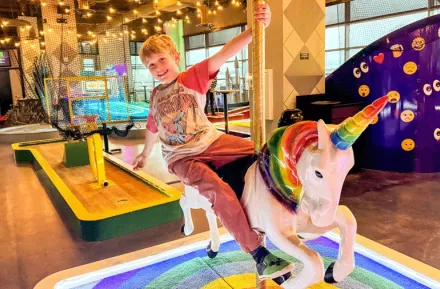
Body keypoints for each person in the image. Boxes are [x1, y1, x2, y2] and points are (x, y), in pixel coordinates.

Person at [132, 4, 294, 281]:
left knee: (262, 152)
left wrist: (255, 30)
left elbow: (226, 52)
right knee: (214, 187)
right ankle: (258, 254)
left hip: (210, 141)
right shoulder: (155, 96)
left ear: (175, 56)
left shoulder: (192, 77)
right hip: (180, 157)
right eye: (151, 65)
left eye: (161, 59)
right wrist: (145, 155)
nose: (158, 68)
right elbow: (152, 128)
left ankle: (282, 204)